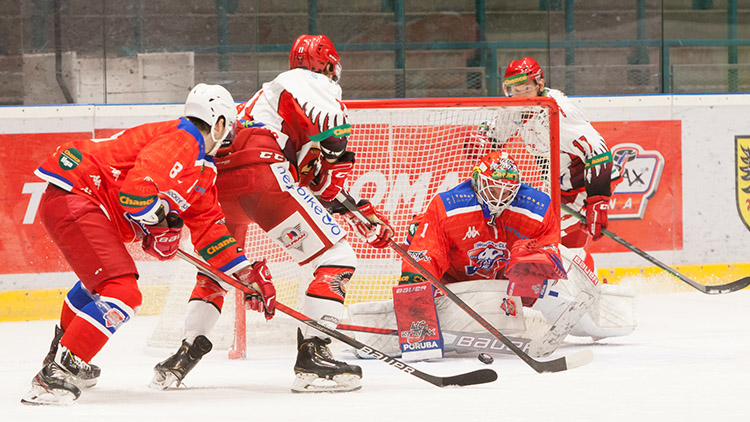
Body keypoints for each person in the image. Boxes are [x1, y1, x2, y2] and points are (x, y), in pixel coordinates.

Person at [150, 34, 393, 393]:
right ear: (327, 65)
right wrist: (360, 215)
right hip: (262, 176)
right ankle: (314, 355)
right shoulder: (308, 84)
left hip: (220, 183)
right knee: (337, 255)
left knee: (217, 270)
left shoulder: (264, 101)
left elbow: (314, 182)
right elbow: (327, 166)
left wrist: (361, 214)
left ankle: (183, 356)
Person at [21, 83, 277, 405]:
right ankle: (56, 374)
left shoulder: (201, 168)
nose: (227, 138)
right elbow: (136, 193)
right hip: (78, 194)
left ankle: (61, 355)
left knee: (99, 283)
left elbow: (210, 229)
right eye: (229, 128)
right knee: (123, 292)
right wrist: (160, 223)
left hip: (78, 196)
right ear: (219, 123)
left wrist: (246, 275)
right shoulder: (182, 141)